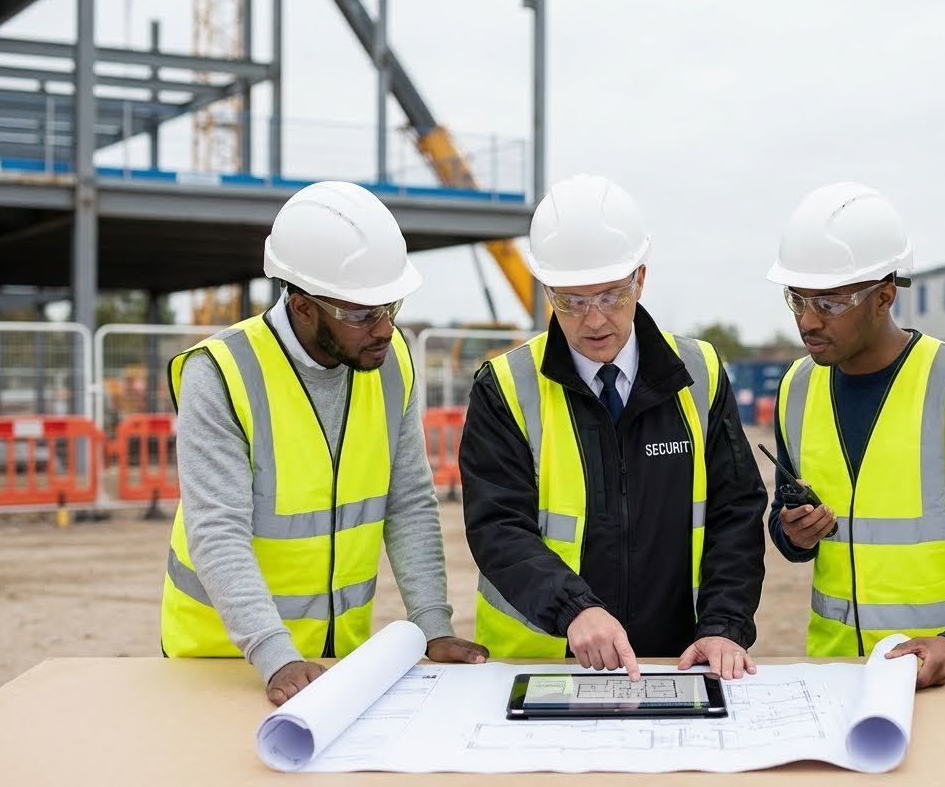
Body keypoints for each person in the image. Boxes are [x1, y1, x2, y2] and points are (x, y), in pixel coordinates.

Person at [160, 180, 487, 704]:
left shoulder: (391, 361)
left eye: (390, 306)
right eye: (360, 314)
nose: (383, 328)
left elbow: (408, 500)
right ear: (303, 305)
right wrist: (274, 653)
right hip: (223, 661)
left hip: (338, 659)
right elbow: (216, 530)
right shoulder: (221, 373)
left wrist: (431, 623)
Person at [461, 174, 767, 680]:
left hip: (675, 661)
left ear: (640, 279)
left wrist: (724, 624)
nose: (594, 320)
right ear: (547, 292)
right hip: (539, 665)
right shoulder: (505, 387)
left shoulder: (700, 372)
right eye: (572, 302)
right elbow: (497, 526)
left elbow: (735, 512)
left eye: (610, 296)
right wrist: (574, 608)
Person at [765, 181, 945, 688]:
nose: (807, 321)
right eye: (797, 299)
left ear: (884, 297)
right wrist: (792, 532)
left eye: (828, 303)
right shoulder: (795, 389)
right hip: (837, 671)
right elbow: (787, 530)